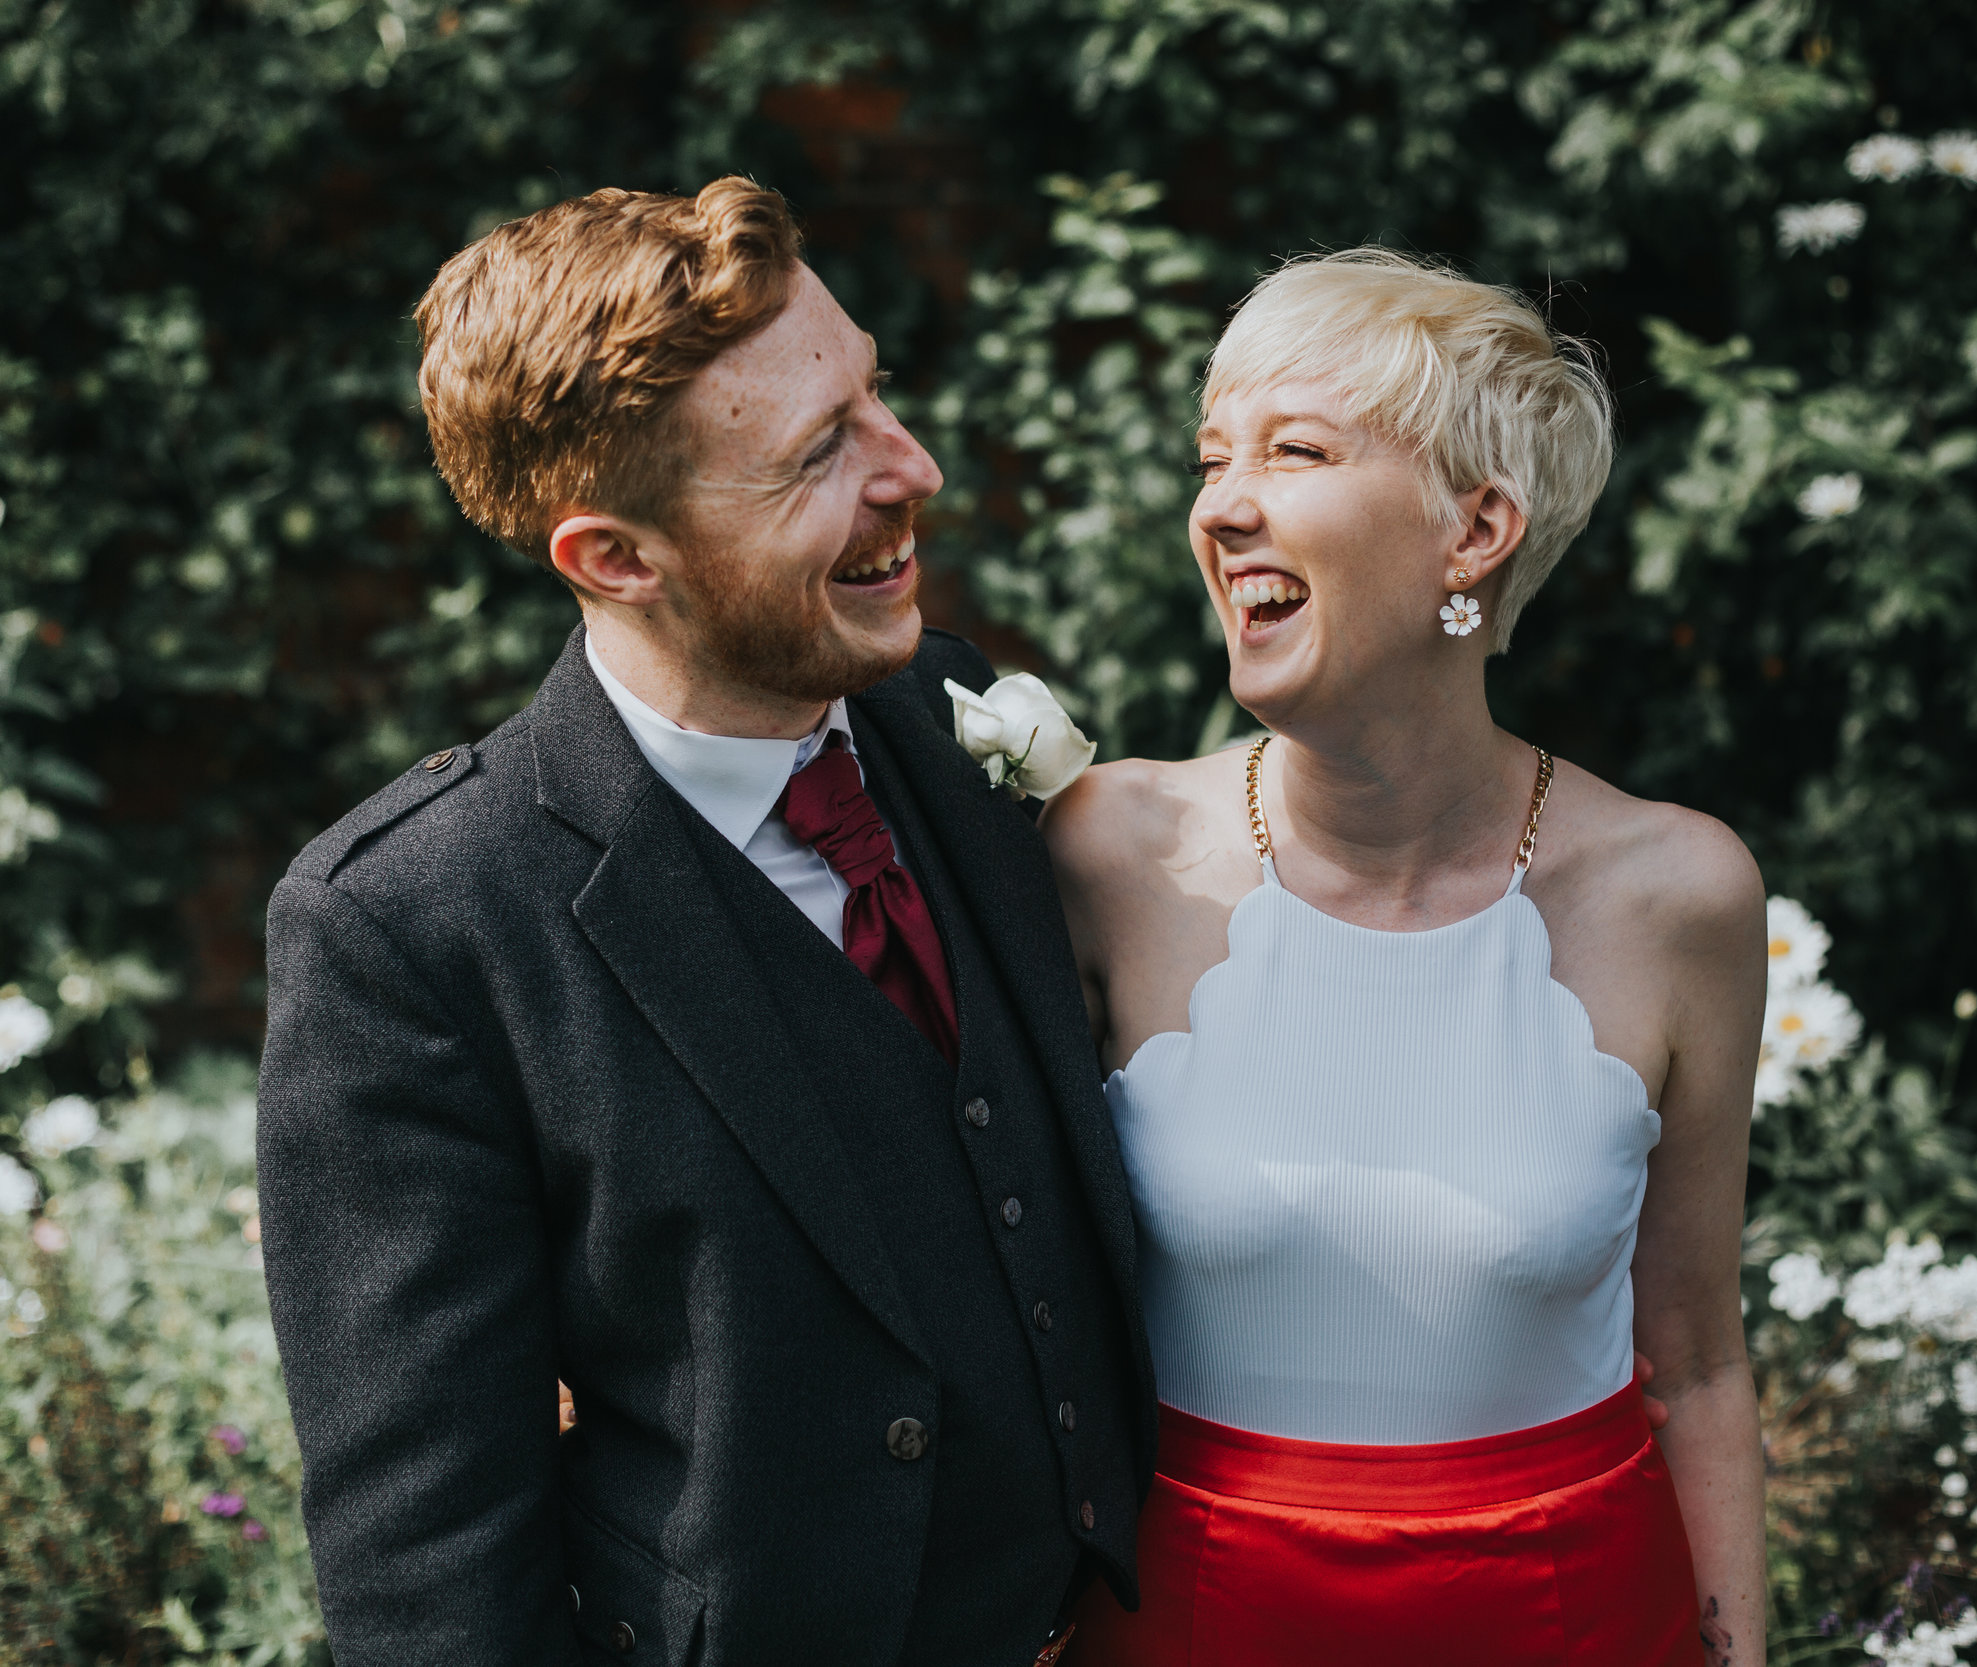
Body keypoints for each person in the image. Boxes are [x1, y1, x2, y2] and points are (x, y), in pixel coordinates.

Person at [256, 179, 1154, 1667]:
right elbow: (428, 1568)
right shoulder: (412, 930)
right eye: (820, 458)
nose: (911, 467)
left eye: (874, 396)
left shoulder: (949, 714)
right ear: (616, 558)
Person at [1048, 250, 1768, 1666]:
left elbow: (1694, 1364)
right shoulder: (1102, 855)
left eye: (1294, 451)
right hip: (1196, 1623)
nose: (1223, 504)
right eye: (1213, 458)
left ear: (1475, 530)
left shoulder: (1679, 892)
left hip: (1570, 1620)